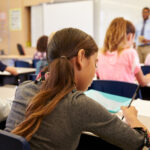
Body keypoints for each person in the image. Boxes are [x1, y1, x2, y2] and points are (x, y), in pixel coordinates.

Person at [5, 28, 150, 150]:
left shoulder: (23, 90)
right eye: (95, 63)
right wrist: (132, 118)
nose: (95, 71)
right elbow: (139, 141)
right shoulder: (78, 105)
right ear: (81, 57)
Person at [96, 17, 150, 86]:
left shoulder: (101, 55)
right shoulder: (130, 53)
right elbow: (143, 82)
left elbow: (100, 78)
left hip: (105, 96)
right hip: (127, 96)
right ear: (130, 37)